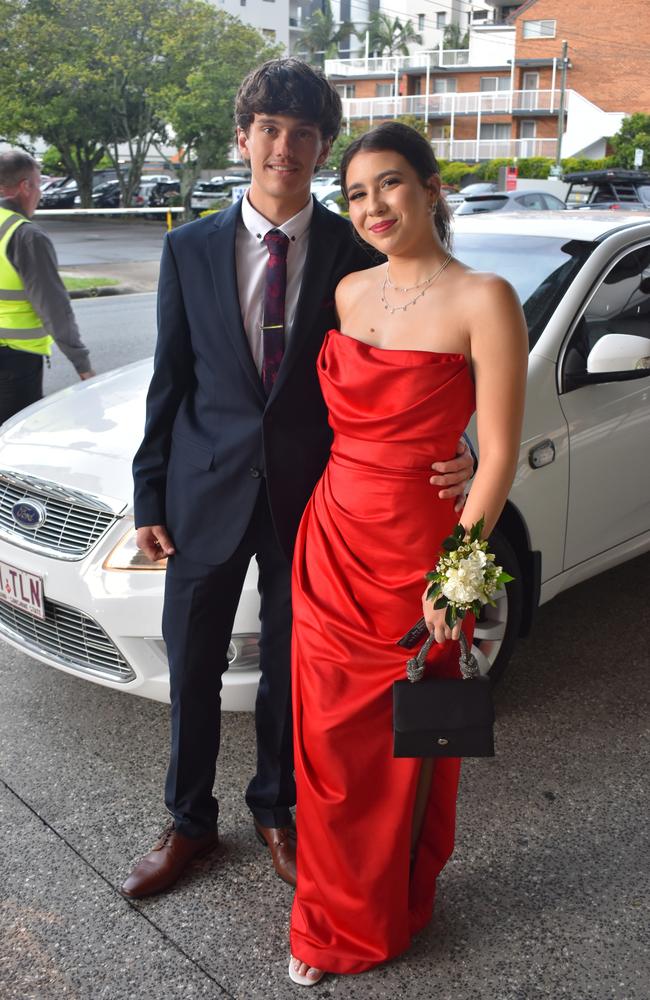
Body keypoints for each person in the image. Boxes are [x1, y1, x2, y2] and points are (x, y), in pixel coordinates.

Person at [125, 60, 475, 901]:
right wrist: (149, 496)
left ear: (322, 147)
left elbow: (417, 352)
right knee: (193, 664)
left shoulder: (361, 248)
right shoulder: (189, 247)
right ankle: (188, 823)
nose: (286, 146)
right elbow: (169, 379)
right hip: (203, 495)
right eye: (271, 129)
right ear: (243, 138)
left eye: (305, 132)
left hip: (317, 504)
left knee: (293, 669)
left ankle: (277, 812)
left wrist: (459, 443)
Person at [288, 122, 528, 986]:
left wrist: (458, 577)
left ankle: (375, 913)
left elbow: (495, 452)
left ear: (430, 186)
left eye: (389, 184)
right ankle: (323, 914)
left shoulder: (484, 297)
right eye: (354, 193)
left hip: (414, 555)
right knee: (324, 749)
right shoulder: (348, 293)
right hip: (329, 543)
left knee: (393, 753)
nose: (372, 206)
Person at [0, 150, 95, 423]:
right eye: (38, 184)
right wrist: (83, 365)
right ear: (24, 187)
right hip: (14, 364)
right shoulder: (25, 235)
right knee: (13, 443)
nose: (40, 193)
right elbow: (54, 309)